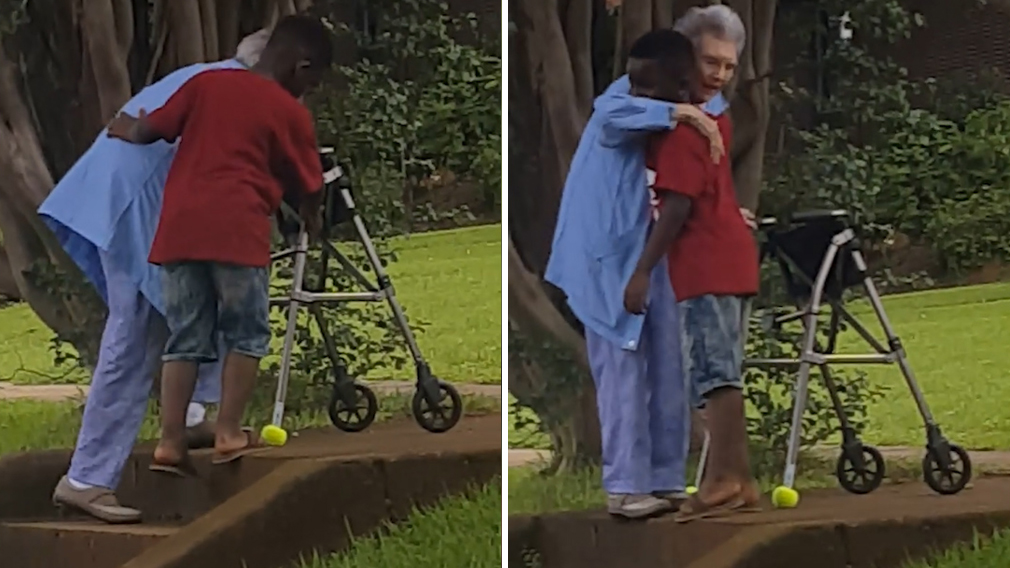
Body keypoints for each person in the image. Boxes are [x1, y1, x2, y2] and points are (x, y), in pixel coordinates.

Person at [42, 29, 272, 524]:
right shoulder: (236, 92)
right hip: (135, 205)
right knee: (137, 332)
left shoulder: (213, 77)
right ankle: (87, 478)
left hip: (119, 196)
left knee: (186, 309)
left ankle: (188, 417)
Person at [105, 15, 330, 476]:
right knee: (245, 333)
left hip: (180, 232)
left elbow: (153, 129)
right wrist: (312, 217)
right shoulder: (289, 111)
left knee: (185, 337)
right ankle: (228, 431)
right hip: (237, 234)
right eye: (314, 80)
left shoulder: (207, 84)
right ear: (301, 67)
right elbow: (308, 182)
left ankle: (169, 443)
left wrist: (127, 127)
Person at [544, 29, 728, 518]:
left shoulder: (688, 108)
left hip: (646, 254)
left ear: (683, 80)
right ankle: (625, 487)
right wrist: (681, 111)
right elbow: (613, 112)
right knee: (623, 370)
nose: (638, 92)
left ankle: (665, 479)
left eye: (652, 86)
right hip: (606, 262)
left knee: (668, 366)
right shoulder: (620, 108)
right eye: (636, 83)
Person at [634, 6, 761, 522]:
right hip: (728, 257)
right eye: (711, 62)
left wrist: (642, 269)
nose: (719, 75)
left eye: (729, 67)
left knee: (714, 374)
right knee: (722, 370)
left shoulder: (690, 131)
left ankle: (722, 479)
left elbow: (679, 204)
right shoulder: (713, 121)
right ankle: (741, 478)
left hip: (706, 261)